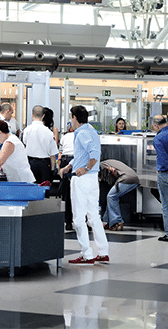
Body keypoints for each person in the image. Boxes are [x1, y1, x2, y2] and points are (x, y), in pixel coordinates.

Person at [59, 105, 109, 264]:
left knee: (79, 218)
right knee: (94, 216)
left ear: (74, 117)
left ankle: (86, 254)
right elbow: (83, 154)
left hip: (82, 180)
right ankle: (103, 251)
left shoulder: (81, 133)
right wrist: (69, 165)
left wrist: (86, 168)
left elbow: (94, 153)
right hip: (93, 179)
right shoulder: (91, 131)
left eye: (70, 117)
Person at [99, 159, 139, 231]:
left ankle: (116, 221)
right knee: (112, 198)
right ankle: (109, 221)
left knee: (111, 197)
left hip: (126, 178)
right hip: (134, 178)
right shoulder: (109, 162)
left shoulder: (102, 165)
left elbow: (112, 173)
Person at [23, 105, 59, 184]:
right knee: (44, 189)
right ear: (43, 116)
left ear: (32, 114)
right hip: (44, 164)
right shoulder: (49, 132)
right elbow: (52, 155)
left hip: (30, 163)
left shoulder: (27, 130)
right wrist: (53, 170)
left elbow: (25, 143)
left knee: (31, 189)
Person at [58, 123, 75, 230]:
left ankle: (68, 222)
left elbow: (60, 154)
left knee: (66, 193)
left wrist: (59, 167)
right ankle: (83, 220)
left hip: (66, 160)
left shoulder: (64, 137)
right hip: (76, 162)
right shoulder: (81, 136)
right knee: (79, 193)